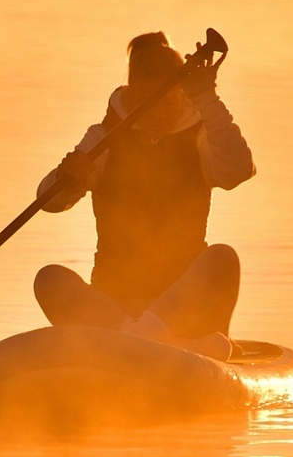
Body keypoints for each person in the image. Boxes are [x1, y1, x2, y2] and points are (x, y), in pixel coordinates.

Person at [34, 32, 255, 360]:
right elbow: (48, 202)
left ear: (181, 95)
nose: (160, 112)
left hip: (184, 311)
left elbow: (238, 171)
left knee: (222, 258)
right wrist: (68, 180)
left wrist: (206, 96)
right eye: (146, 102)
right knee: (49, 278)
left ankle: (139, 341)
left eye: (168, 100)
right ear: (131, 97)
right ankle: (145, 342)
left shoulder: (201, 136)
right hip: (113, 307)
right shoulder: (103, 138)